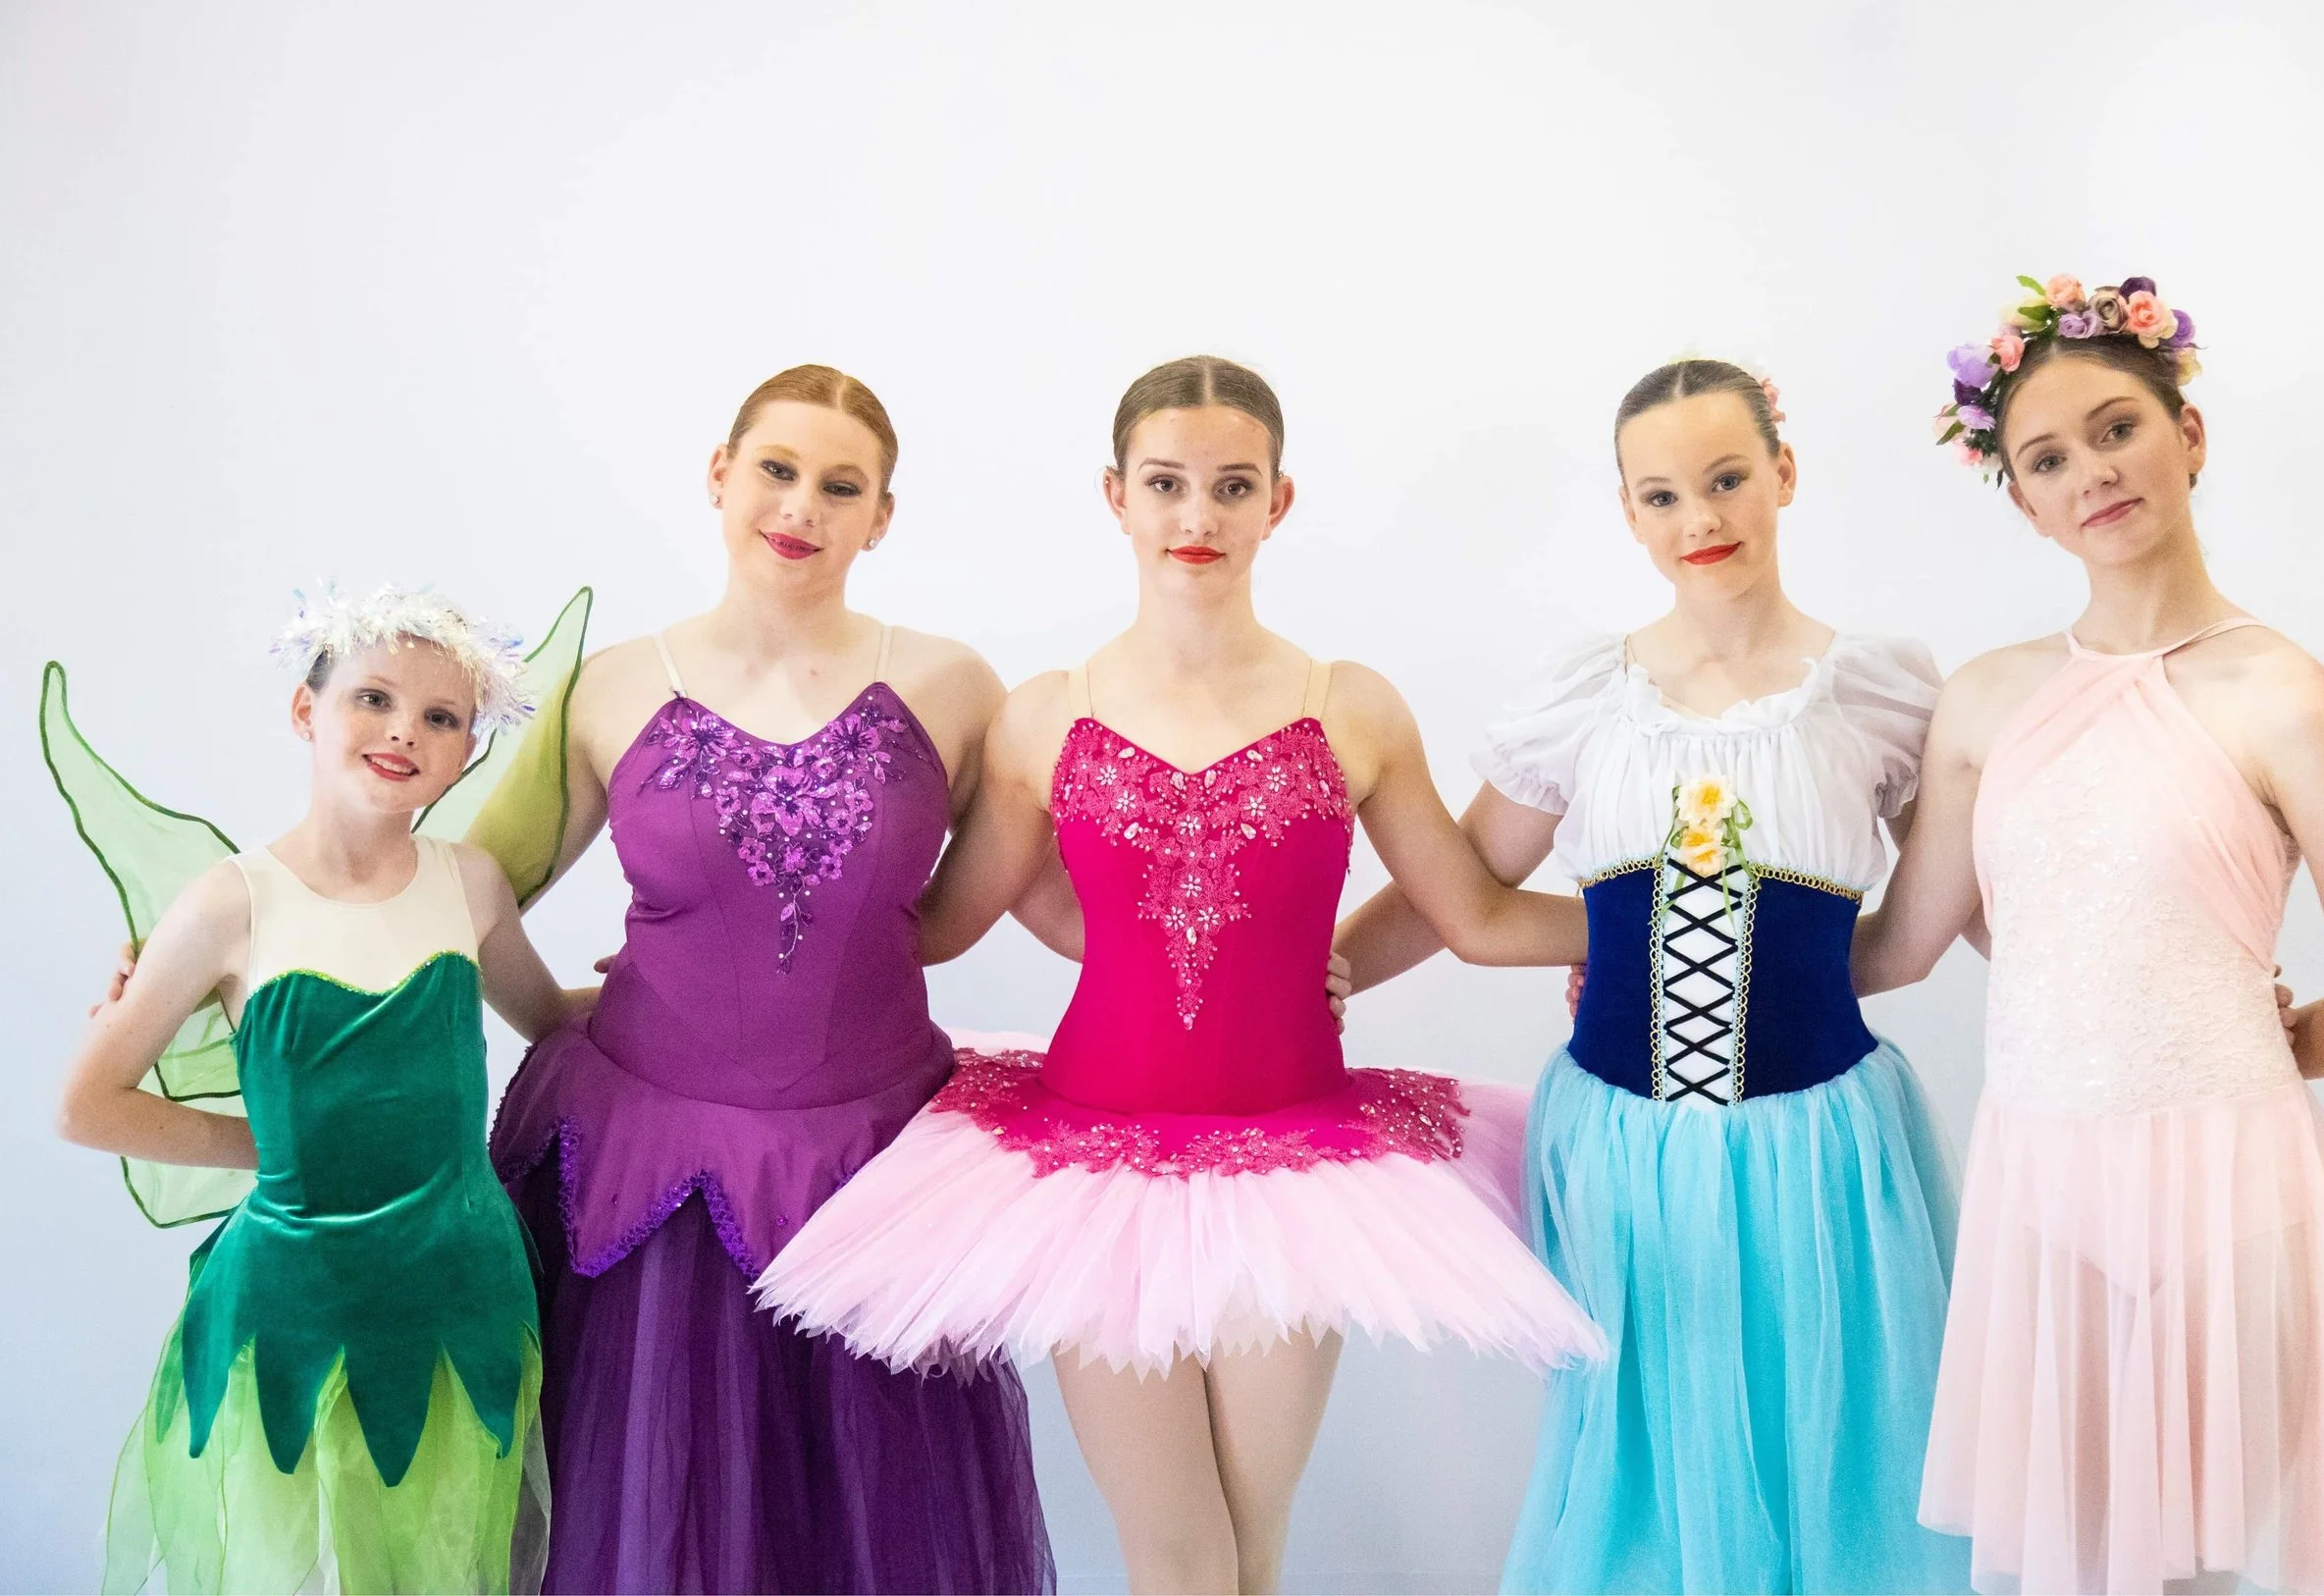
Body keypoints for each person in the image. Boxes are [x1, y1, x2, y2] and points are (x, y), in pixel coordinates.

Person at [757, 354, 1603, 1596]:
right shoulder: (1046, 714)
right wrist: (735, 936)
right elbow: (946, 920)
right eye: (1167, 484)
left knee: (1251, 1552)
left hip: (1302, 1158)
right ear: (1116, 496)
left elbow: (1466, 911)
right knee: (1178, 1557)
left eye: (1230, 485)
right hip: (1092, 1162)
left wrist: (1656, 926)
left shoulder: (1350, 706)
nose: (1197, 515)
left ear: (1280, 500)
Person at [1335, 359, 1966, 1593]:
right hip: (1624, 1148)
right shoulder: (1590, 698)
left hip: (1820, 1146)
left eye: (1728, 480)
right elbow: (1463, 899)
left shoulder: (1880, 691)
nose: (1702, 520)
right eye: (1664, 495)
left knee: (1829, 1439)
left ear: (1783, 474)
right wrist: (1329, 967)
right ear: (1628, 512)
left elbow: (1937, 918)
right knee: (1643, 1446)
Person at [1860, 274, 2324, 1592]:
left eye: (2117, 428)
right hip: (2041, 1187)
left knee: (2183, 1572)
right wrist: (1666, 960)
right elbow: (1900, 947)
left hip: (2228, 1189)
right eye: (2047, 457)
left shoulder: (2283, 692)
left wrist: (2224, 1044)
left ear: (2189, 433)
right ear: (2020, 496)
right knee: (2068, 1565)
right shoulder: (1990, 698)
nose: (2092, 474)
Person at [481, 366, 1055, 1593]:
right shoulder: (613, 684)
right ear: (719, 475)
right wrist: (251, 942)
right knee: (660, 1523)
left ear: (881, 517)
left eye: (840, 485)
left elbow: (1048, 893)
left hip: (873, 1162)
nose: (801, 505)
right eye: (777, 470)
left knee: (870, 1531)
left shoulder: (954, 686)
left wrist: (1244, 962)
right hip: (649, 1174)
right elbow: (468, 885)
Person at [56, 589, 570, 1594]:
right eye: (373, 698)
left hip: (456, 1288)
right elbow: (87, 1102)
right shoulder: (231, 900)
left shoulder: (466, 883)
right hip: (297, 1298)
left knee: (449, 1558)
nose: (401, 732)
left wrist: (688, 986)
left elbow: (552, 1018)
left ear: (468, 749)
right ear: (307, 713)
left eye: (439, 718)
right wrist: (270, 1153)